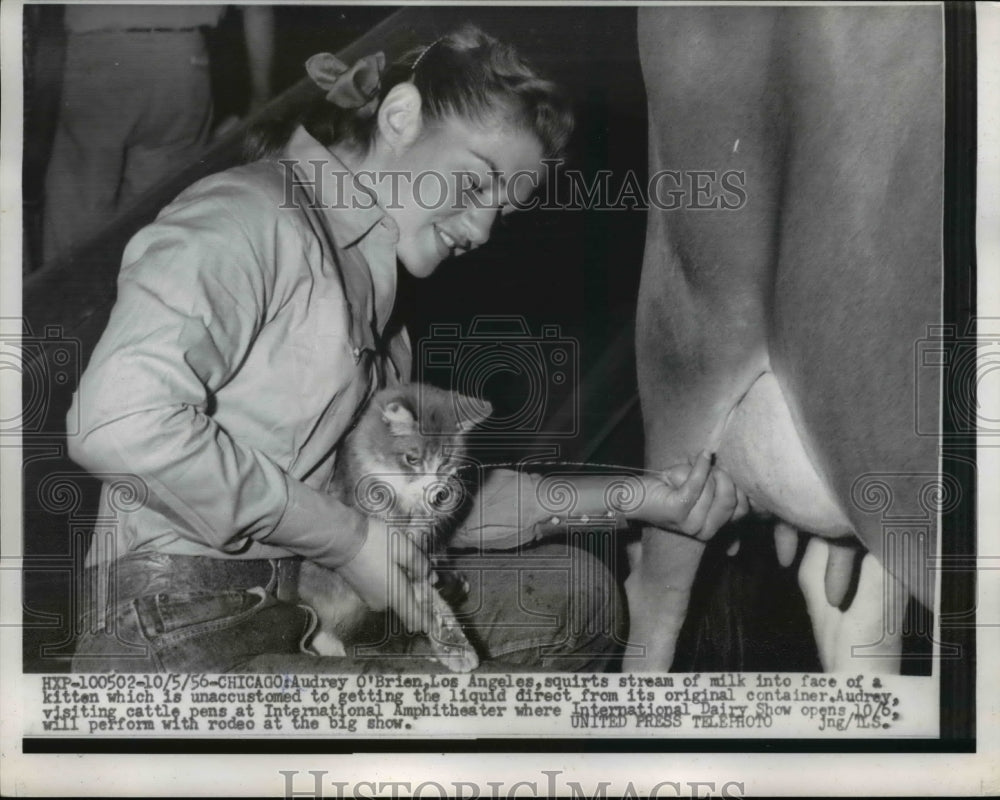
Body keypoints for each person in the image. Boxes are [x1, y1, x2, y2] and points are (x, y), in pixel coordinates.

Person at [66, 26, 746, 674]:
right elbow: (116, 424)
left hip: (297, 611)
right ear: (398, 116)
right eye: (475, 182)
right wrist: (349, 539)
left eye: (505, 209)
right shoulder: (246, 217)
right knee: (519, 729)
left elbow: (419, 510)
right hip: (172, 634)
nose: (482, 227)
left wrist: (642, 498)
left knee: (575, 596)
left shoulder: (385, 321)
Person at [42, 4, 274, 263]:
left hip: (101, 55)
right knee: (155, 213)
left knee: (78, 211)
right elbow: (259, 9)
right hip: (183, 61)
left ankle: (69, 298)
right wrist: (260, 97)